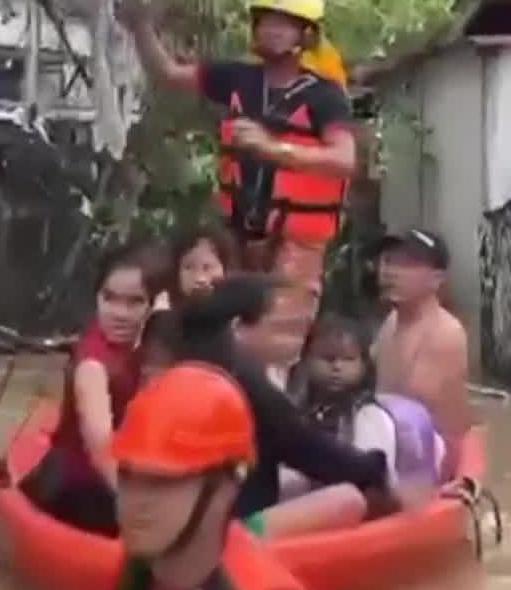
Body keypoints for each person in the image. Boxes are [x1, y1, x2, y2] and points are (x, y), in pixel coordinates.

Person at [120, 0, 357, 380]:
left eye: (285, 23)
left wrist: (271, 147)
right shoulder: (238, 78)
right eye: (266, 20)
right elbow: (169, 75)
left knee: (272, 347)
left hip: (294, 242)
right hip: (237, 234)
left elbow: (343, 159)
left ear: (306, 33)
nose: (273, 30)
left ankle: (269, 423)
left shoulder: (325, 95)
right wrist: (142, 26)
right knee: (216, 332)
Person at [176, 274, 438, 539]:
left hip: (185, 523)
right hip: (227, 537)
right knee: (346, 499)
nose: (298, 339)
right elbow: (313, 452)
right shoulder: (247, 386)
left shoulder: (189, 365)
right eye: (282, 329)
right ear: (238, 329)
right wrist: (383, 477)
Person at [111, 363, 326, 590]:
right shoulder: (143, 567)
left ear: (228, 486)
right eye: (128, 475)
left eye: (163, 482)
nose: (136, 500)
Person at [18, 241, 163, 536]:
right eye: (109, 298)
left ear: (157, 303)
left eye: (135, 302)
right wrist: (141, 507)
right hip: (81, 487)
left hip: (125, 475)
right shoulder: (93, 364)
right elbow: (100, 446)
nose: (119, 313)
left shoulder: (157, 346)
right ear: (96, 297)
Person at [286, 313, 445, 506]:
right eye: (327, 358)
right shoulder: (295, 408)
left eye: (348, 359)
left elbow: (373, 480)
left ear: (364, 365)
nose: (337, 367)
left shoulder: (369, 416)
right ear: (305, 361)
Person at [373, 229, 473, 482]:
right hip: (388, 448)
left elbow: (453, 428)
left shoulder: (445, 335)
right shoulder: (390, 322)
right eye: (388, 261)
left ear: (436, 279)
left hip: (424, 466)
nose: (390, 271)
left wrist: (446, 489)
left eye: (407, 264)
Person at [160, 224, 240, 309]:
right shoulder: (165, 311)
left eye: (207, 267)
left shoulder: (237, 312)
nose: (199, 279)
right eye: (189, 267)